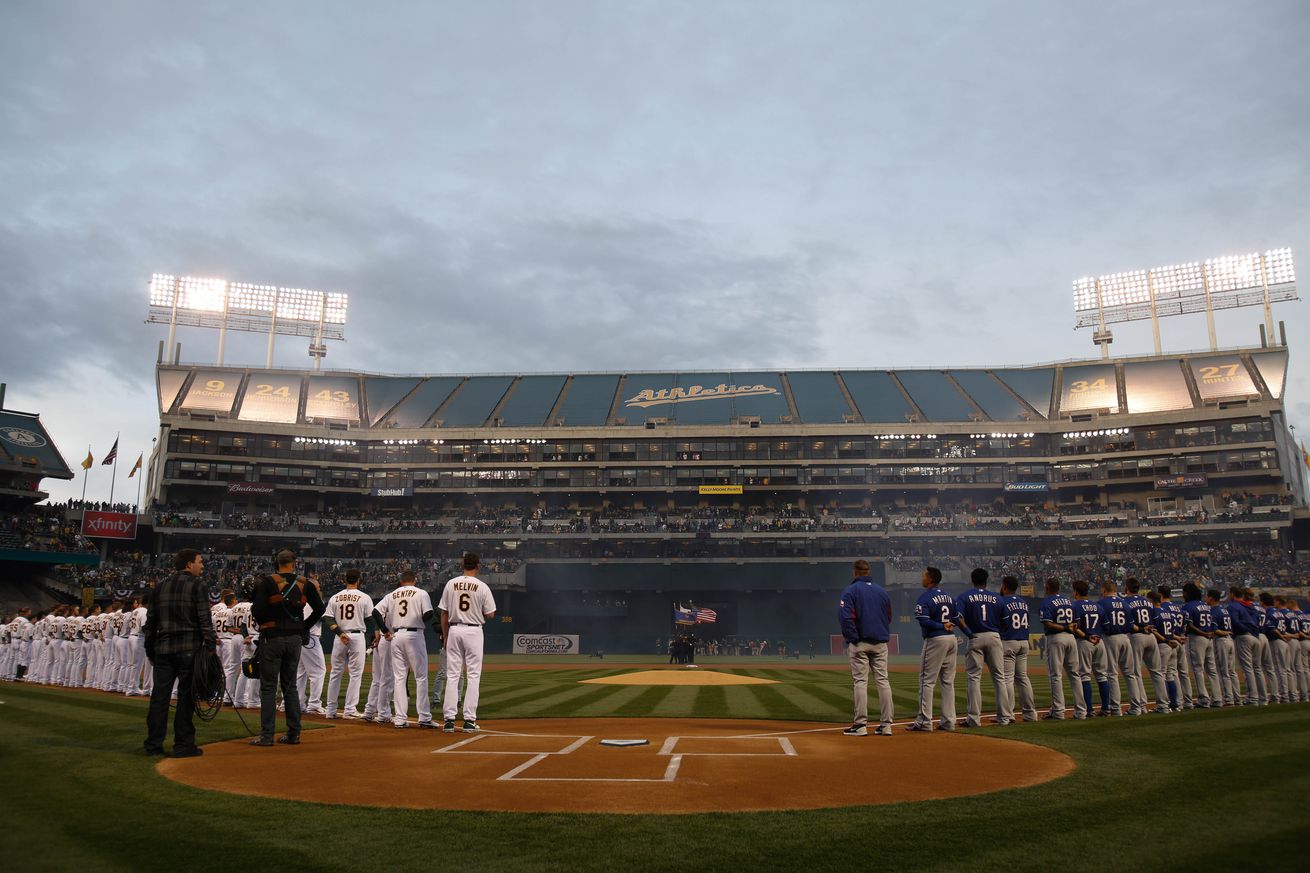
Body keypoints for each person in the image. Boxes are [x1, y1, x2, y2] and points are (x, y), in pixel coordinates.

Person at [143, 548, 216, 757]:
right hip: (189, 649)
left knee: (159, 698)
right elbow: (204, 619)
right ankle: (183, 745)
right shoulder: (197, 584)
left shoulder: (160, 587)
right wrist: (210, 647)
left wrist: (150, 650)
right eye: (199, 562)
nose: (202, 566)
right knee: (186, 698)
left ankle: (153, 745)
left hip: (163, 650)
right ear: (188, 564)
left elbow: (151, 624)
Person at [248, 549, 325, 747]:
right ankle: (293, 734)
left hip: (272, 638)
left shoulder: (267, 582)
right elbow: (320, 609)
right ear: (294, 563)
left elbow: (256, 609)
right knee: (290, 687)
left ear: (277, 563)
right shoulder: (304, 583)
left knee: (268, 688)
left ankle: (267, 736)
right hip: (294, 639)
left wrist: (268, 622)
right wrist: (304, 627)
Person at [439, 552, 497, 733]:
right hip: (473, 630)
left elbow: (444, 613)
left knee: (452, 675)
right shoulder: (482, 586)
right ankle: (469, 720)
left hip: (454, 629)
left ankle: (448, 720)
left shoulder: (451, 584)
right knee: (473, 676)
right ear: (477, 567)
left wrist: (446, 635)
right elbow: (490, 614)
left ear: (462, 565)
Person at [837, 559, 894, 736]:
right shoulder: (882, 592)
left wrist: (853, 639)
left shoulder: (850, 591)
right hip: (880, 642)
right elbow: (888, 616)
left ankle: (860, 725)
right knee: (883, 681)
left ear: (855, 572)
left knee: (861, 681)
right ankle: (886, 726)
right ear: (868, 572)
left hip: (860, 642)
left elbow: (845, 618)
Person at [381, 569, 436, 729]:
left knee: (399, 678)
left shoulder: (392, 595)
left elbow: (376, 612)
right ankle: (424, 717)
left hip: (396, 636)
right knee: (421, 677)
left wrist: (385, 631)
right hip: (414, 635)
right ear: (415, 579)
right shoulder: (421, 593)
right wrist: (416, 616)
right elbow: (428, 614)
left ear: (401, 581)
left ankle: (399, 718)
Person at [907, 567, 960, 732]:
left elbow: (923, 620)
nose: (922, 577)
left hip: (936, 639)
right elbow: (957, 617)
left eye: (924, 575)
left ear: (930, 579)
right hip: (952, 639)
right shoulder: (949, 597)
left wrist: (940, 625)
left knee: (926, 681)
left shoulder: (925, 597)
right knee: (947, 682)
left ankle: (924, 722)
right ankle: (949, 722)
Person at [955, 567, 1006, 727]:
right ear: (987, 580)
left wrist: (968, 633)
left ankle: (974, 719)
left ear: (972, 580)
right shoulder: (997, 598)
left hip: (975, 636)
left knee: (974, 678)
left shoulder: (965, 596)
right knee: (999, 677)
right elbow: (1005, 621)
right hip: (994, 636)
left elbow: (957, 617)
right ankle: (1004, 717)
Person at [323, 568, 375, 719]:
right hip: (357, 636)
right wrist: (378, 631)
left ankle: (330, 710)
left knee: (335, 673)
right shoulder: (364, 597)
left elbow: (328, 618)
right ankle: (349, 709)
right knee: (355, 674)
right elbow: (372, 618)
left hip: (340, 638)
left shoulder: (335, 597)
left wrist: (340, 633)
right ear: (359, 580)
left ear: (345, 580)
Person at [1039, 578, 1086, 720]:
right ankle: (1081, 711)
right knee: (1075, 674)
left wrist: (1064, 627)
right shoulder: (1069, 601)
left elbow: (1047, 623)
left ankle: (1058, 711)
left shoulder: (1047, 602)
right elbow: (1077, 622)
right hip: (1071, 638)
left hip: (1056, 638)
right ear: (1059, 588)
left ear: (1047, 587)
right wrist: (1070, 628)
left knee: (1055, 675)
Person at [1099, 580, 1145, 716]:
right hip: (1125, 638)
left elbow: (1102, 624)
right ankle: (1136, 708)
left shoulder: (1101, 603)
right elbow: (1131, 625)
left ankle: (1116, 708)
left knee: (1112, 673)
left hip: (1111, 638)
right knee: (1130, 674)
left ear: (1104, 590)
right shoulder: (1125, 603)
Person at [998, 575, 1038, 723]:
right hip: (1023, 642)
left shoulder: (1001, 601)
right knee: (1023, 678)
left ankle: (1008, 715)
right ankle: (1030, 714)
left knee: (1007, 678)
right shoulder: (1023, 602)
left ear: (1004, 586)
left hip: (1009, 641)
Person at [1071, 580, 1113, 717]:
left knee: (1084, 675)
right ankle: (1106, 708)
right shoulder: (1098, 606)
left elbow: (1074, 627)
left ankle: (1089, 710)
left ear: (1076, 592)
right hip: (1099, 641)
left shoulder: (1074, 605)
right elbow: (1106, 626)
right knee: (1102, 675)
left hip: (1084, 641)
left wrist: (1087, 636)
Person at [1125, 578, 1166, 715]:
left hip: (1137, 636)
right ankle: (1163, 705)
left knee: (1135, 672)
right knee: (1157, 672)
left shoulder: (1126, 602)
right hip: (1151, 636)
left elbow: (1128, 624)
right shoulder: (1148, 602)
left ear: (1127, 588)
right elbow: (1155, 620)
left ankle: (1141, 706)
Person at [1182, 582, 1220, 708]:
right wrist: (1208, 633)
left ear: (1188, 594)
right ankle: (1217, 698)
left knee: (1198, 669)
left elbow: (1189, 625)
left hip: (1197, 638)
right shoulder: (1206, 606)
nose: (1183, 595)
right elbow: (1214, 624)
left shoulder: (1188, 606)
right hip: (1209, 638)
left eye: (1184, 593)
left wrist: (1203, 634)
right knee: (1212, 669)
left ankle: (1203, 698)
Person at [296, 574, 328, 715]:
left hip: (299, 638)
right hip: (310, 637)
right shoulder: (312, 600)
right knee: (318, 672)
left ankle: (296, 703)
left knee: (300, 673)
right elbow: (322, 616)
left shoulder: (300, 599)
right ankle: (314, 704)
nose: (320, 588)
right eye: (318, 586)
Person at [1228, 586, 1264, 705]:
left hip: (1244, 636)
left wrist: (1245, 630)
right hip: (1256, 636)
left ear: (1232, 594)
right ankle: (1262, 697)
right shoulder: (1250, 606)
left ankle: (1253, 698)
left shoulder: (1234, 606)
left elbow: (1235, 621)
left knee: (1248, 669)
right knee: (1257, 668)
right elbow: (1256, 619)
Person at [1207, 589, 1239, 707]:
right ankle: (1237, 698)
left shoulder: (1214, 611)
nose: (1206, 599)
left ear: (1211, 598)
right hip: (1230, 640)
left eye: (1207, 597)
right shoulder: (1224, 610)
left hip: (1221, 641)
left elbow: (1216, 630)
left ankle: (1228, 699)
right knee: (1231, 671)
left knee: (1223, 671)